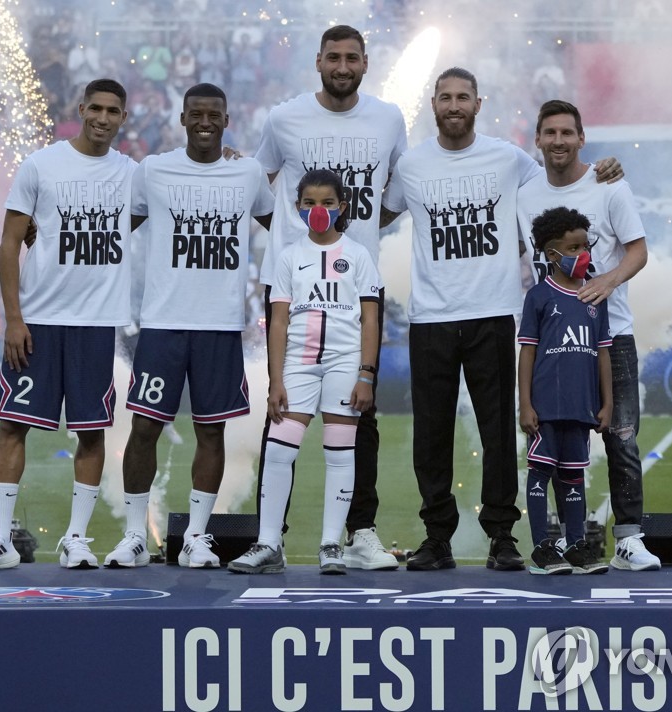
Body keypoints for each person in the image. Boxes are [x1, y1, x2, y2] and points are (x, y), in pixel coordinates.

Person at [380, 68, 622, 571]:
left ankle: (502, 536)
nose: (453, 105)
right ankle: (437, 537)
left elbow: (560, 188)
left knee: (498, 432)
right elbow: (376, 213)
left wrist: (602, 170)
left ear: (477, 103)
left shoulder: (509, 159)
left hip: (494, 313)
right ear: (432, 104)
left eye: (462, 97)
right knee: (432, 435)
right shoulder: (411, 165)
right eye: (445, 97)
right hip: (431, 317)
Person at [0, 78, 135, 570]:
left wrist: (226, 157)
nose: (103, 118)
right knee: (13, 426)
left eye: (113, 111)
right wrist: (13, 318)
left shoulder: (132, 173)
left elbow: (162, 200)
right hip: (37, 321)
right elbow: (8, 243)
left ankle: (76, 538)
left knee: (92, 433)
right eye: (96, 108)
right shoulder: (41, 165)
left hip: (97, 323)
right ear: (80, 108)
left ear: (124, 118)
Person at [254, 25, 407, 571]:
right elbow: (256, 182)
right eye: (333, 58)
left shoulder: (388, 118)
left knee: (360, 420)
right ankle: (269, 538)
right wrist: (294, 235)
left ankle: (359, 532)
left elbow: (396, 193)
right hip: (294, 283)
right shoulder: (284, 117)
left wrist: (359, 234)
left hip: (357, 282)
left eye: (352, 58)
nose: (342, 66)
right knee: (283, 417)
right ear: (318, 61)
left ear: (366, 63)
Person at [103, 83, 274, 568]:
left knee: (212, 432)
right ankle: (136, 535)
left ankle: (197, 536)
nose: (204, 122)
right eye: (196, 114)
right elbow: (117, 228)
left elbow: (280, 228)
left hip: (220, 328)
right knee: (145, 429)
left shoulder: (247, 173)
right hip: (162, 325)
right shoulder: (153, 170)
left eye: (213, 114)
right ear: (182, 119)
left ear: (226, 120)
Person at [515, 99, 661, 571]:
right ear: (537, 139)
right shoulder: (524, 193)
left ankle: (629, 538)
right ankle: (556, 542)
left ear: (581, 138)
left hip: (608, 334)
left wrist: (608, 280)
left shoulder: (608, 185)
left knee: (620, 435)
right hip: (551, 342)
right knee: (550, 442)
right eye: (549, 133)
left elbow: (638, 251)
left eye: (567, 133)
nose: (558, 141)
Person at [228, 169, 381, 575]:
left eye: (327, 203)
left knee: (339, 451)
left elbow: (370, 319)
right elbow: (277, 322)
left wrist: (366, 374)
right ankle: (268, 543)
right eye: (310, 203)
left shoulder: (359, 255)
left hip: (345, 363)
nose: (318, 210)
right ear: (297, 207)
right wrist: (275, 380)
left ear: (342, 207)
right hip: (298, 364)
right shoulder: (289, 256)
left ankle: (331, 544)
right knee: (279, 450)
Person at [518, 207, 611, 575]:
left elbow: (602, 351)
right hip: (546, 406)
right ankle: (542, 548)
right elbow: (527, 352)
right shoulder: (539, 296)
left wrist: (607, 403)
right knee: (541, 472)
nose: (583, 254)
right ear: (552, 254)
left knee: (574, 476)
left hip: (581, 406)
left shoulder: (594, 297)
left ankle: (576, 547)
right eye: (574, 248)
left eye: (585, 246)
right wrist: (525, 404)